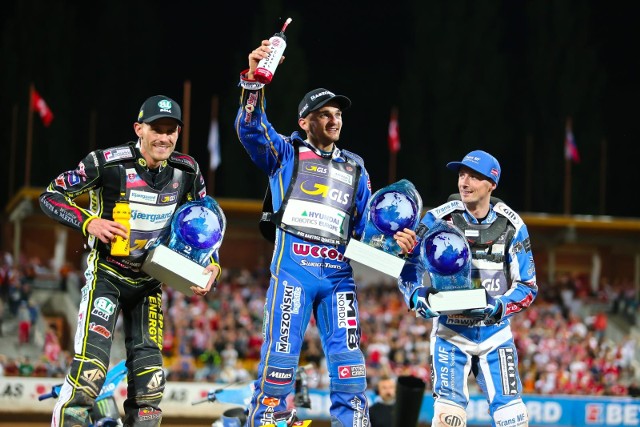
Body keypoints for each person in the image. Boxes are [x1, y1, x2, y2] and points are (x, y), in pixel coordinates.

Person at [235, 40, 415, 427]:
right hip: (293, 270)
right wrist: (254, 81)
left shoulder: (357, 167)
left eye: (337, 114)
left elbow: (369, 226)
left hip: (338, 277)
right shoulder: (285, 153)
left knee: (351, 371)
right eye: (324, 114)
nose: (334, 120)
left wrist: (396, 240)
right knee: (280, 366)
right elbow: (250, 129)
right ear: (304, 122)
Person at [39, 95, 222, 427]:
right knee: (90, 374)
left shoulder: (188, 170)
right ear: (139, 129)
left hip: (150, 283)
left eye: (171, 130)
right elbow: (50, 195)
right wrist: (87, 221)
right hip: (106, 275)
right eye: (156, 129)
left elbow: (205, 222)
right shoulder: (106, 163)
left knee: (150, 385)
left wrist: (212, 265)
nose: (164, 138)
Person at [398, 150, 538, 427]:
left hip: (496, 335)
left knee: (514, 419)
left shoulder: (513, 226)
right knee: (448, 419)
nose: (464, 182)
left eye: (474, 176)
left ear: (492, 184)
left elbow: (528, 286)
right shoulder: (436, 220)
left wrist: (498, 307)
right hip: (450, 333)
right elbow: (407, 268)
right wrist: (416, 295)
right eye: (462, 175)